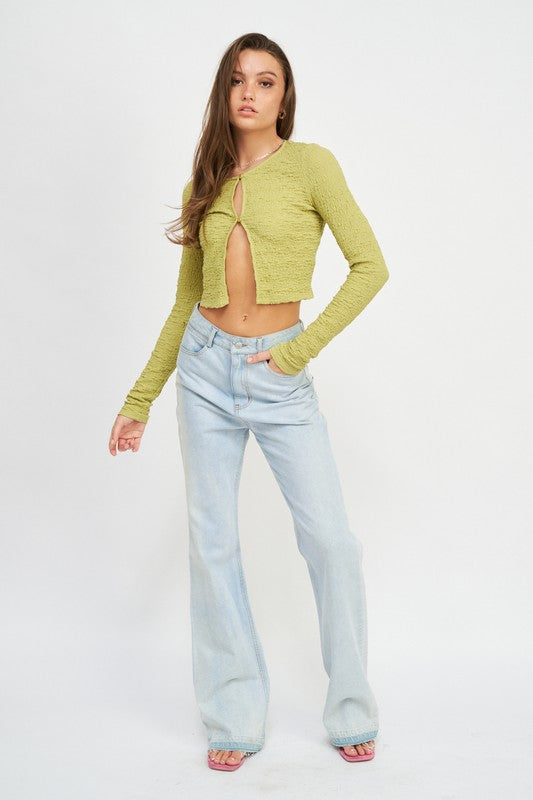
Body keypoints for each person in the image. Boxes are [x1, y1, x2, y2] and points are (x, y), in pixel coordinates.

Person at [109, 32, 389, 772]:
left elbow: (370, 266)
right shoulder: (203, 179)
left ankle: (351, 708)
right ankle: (233, 716)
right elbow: (183, 305)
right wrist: (140, 399)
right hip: (203, 372)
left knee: (331, 542)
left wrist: (298, 351)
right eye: (238, 79)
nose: (249, 93)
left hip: (278, 374)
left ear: (284, 98)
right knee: (213, 544)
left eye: (266, 82)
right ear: (223, 91)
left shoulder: (311, 165)